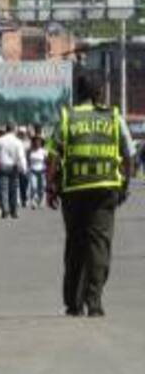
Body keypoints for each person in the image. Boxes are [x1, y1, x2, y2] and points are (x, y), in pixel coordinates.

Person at [47, 72, 134, 318]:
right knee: (99, 246)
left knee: (75, 244)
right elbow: (129, 154)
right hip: (105, 190)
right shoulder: (114, 117)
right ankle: (94, 302)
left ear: (79, 94)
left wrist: (50, 187)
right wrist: (124, 185)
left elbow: (53, 155)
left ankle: (73, 304)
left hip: (74, 190)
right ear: (99, 94)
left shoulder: (68, 118)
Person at [0, 122, 27, 219]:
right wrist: (23, 168)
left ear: (6, 129)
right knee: (14, 189)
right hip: (14, 166)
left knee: (4, 189)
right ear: (14, 129)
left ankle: (5, 210)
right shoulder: (18, 141)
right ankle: (14, 211)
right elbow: (21, 156)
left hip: (3, 166)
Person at [27, 135, 48, 209]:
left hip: (42, 171)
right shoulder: (30, 151)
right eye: (35, 141)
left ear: (41, 143)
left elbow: (46, 161)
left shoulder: (44, 151)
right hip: (33, 171)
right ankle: (34, 201)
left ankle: (41, 201)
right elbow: (28, 161)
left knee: (42, 187)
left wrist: (47, 170)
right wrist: (27, 168)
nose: (37, 143)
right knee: (33, 187)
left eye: (38, 141)